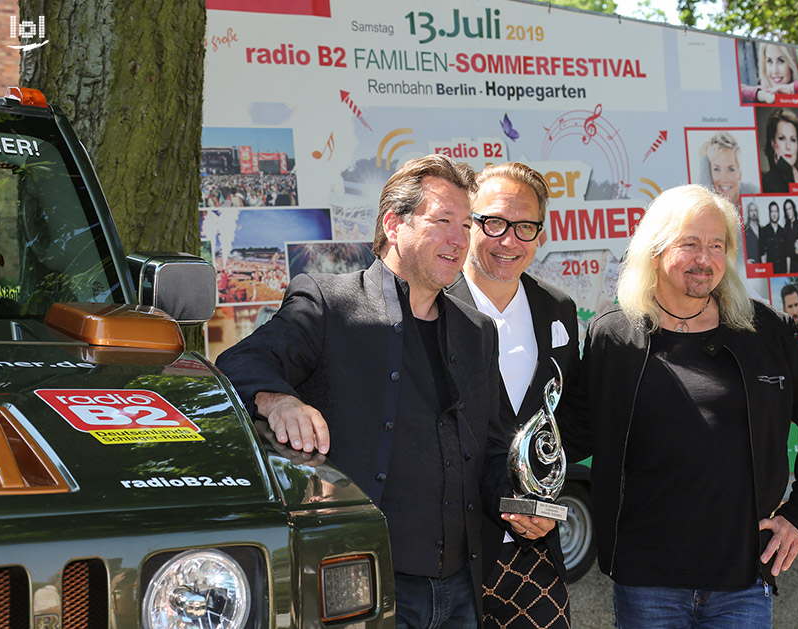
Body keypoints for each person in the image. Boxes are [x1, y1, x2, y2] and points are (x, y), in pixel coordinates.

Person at [215, 154, 554, 627]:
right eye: (442, 222)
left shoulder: (477, 331)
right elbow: (240, 360)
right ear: (394, 224)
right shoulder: (329, 302)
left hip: (460, 589)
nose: (459, 240)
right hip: (363, 585)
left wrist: (518, 504)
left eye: (464, 224)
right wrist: (279, 400)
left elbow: (491, 446)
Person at [558, 184, 798, 627]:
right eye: (689, 243)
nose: (705, 258)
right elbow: (574, 428)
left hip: (743, 580)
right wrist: (507, 457)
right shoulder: (614, 336)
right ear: (654, 251)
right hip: (646, 578)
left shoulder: (766, 332)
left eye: (716, 245)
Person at [447, 162, 578, 628]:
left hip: (531, 547)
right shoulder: (432, 305)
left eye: (525, 227)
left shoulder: (556, 308)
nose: (509, 240)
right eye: (494, 222)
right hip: (448, 550)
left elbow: (563, 420)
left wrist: (546, 502)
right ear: (469, 222)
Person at [761, 109, 798, 193]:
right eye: (782, 138)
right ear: (773, 143)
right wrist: (785, 168)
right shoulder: (768, 182)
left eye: (793, 140)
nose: (788, 147)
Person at [697, 131, 759, 207]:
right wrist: (704, 160)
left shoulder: (753, 192)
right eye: (717, 169)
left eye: (731, 169)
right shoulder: (710, 197)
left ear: (740, 173)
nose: (724, 179)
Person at [759, 200, 786, 273]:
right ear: (769, 213)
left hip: (782, 270)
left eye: (776, 211)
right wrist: (765, 272)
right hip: (770, 271)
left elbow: (787, 254)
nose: (774, 214)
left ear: (779, 213)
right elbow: (762, 254)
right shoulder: (764, 231)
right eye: (772, 211)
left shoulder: (783, 231)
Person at [780, 198, 798, 273]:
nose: (788, 211)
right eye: (786, 210)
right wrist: (788, 272)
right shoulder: (786, 228)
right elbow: (787, 252)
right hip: (791, 265)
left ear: (793, 209)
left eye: (790, 208)